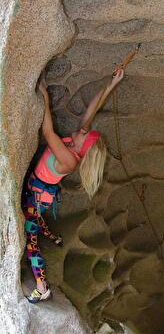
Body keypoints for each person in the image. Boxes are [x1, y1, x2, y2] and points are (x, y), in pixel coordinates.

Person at [22, 69, 124, 303]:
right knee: (35, 218)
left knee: (30, 239)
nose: (80, 129)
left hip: (38, 195)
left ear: (83, 148)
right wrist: (111, 83)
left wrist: (45, 97)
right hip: (37, 187)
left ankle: (41, 286)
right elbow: (91, 111)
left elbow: (47, 132)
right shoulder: (75, 144)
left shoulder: (69, 159)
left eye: (83, 134)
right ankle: (55, 238)